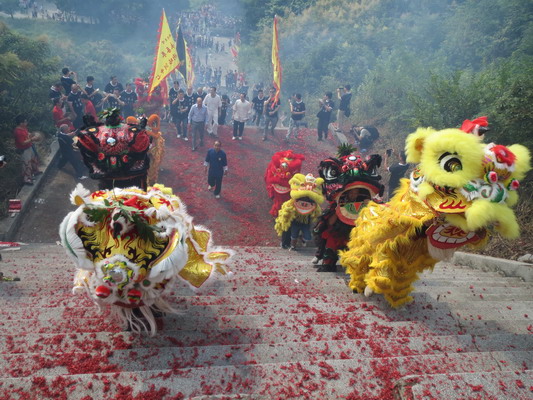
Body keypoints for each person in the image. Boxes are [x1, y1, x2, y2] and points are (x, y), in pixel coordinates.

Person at [13, 115, 41, 185]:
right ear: (21, 123)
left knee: (34, 160)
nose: (26, 123)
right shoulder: (18, 131)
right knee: (26, 164)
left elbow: (27, 134)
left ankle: (35, 171)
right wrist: (32, 139)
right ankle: (26, 179)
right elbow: (22, 143)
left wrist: (32, 135)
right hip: (24, 149)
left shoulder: (23, 128)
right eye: (25, 122)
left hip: (29, 146)